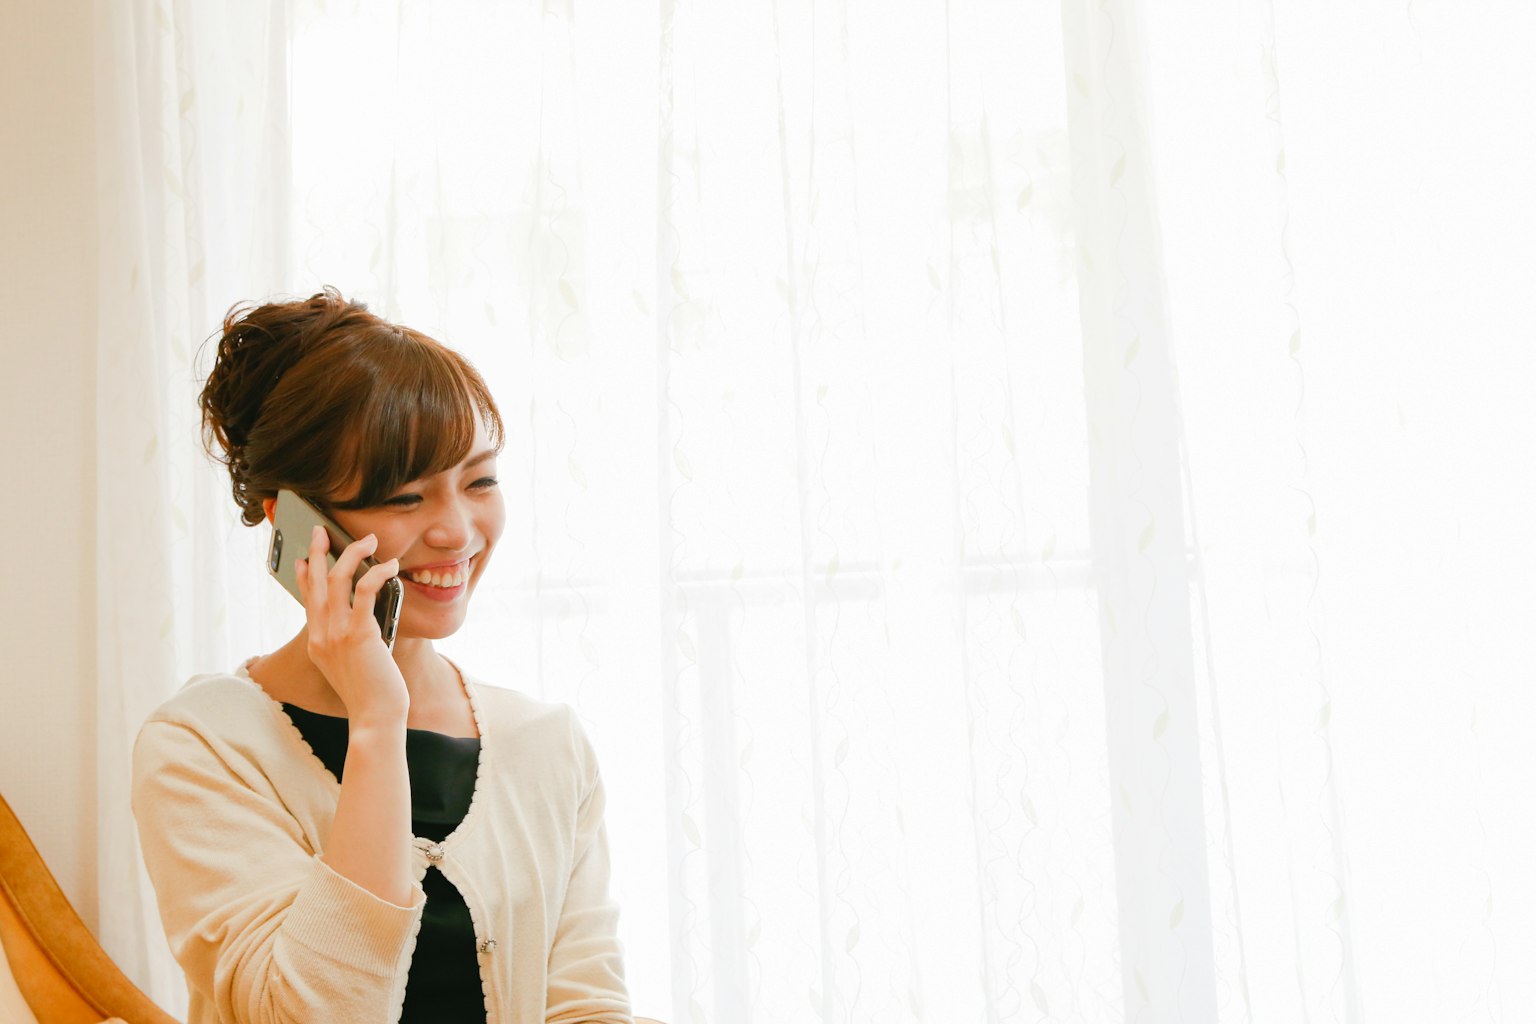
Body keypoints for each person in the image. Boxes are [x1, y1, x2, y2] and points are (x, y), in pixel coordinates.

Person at [130, 289, 632, 1023]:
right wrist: (375, 722)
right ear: (295, 520)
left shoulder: (547, 746)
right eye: (405, 498)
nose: (457, 532)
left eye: (480, 481)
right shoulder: (202, 747)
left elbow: (590, 1008)